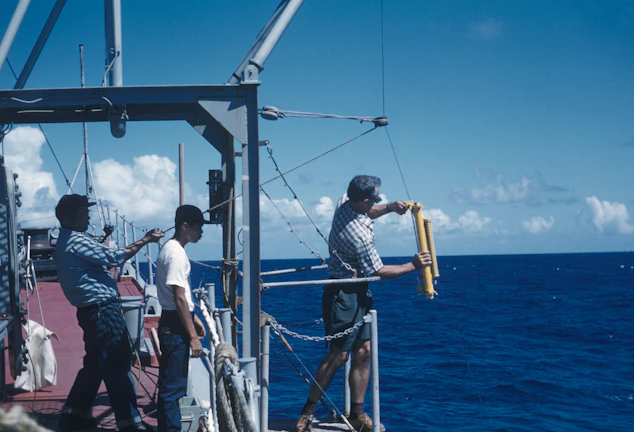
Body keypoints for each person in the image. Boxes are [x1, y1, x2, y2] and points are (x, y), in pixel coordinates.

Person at [296, 175, 432, 432]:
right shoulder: (359, 236)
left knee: (364, 351)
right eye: (377, 199)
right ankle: (308, 410)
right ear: (365, 200)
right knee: (338, 355)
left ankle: (357, 412)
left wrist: (390, 208)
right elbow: (379, 271)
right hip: (343, 294)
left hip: (358, 290)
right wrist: (413, 265)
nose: (378, 202)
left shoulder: (343, 202)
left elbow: (368, 213)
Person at [54, 194, 164, 432]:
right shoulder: (76, 240)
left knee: (94, 365)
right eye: (84, 212)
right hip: (103, 312)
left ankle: (73, 415)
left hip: (93, 311)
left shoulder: (68, 240)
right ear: (69, 217)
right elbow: (114, 257)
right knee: (117, 364)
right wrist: (146, 239)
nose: (88, 216)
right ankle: (130, 424)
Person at [155, 205, 209, 432]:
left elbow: (179, 296)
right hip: (174, 326)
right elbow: (178, 298)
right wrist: (193, 338)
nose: (201, 232)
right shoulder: (176, 253)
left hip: (173, 319)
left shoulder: (171, 248)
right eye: (198, 227)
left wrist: (194, 317)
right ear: (185, 226)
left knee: (171, 385)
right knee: (173, 388)